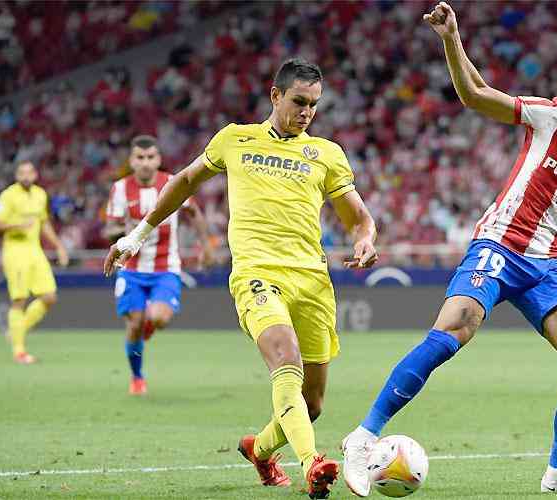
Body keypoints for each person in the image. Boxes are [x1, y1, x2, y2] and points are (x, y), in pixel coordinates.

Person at [342, 3, 557, 496]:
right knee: (453, 331)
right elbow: (476, 95)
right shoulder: (551, 117)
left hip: (548, 266)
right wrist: (451, 38)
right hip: (499, 244)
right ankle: (362, 437)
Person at [104, 59, 378, 499]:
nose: (307, 112)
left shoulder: (326, 153)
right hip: (256, 274)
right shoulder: (236, 138)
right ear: (275, 96)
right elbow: (184, 181)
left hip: (313, 280)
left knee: (312, 404)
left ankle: (261, 449)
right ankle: (312, 464)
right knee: (285, 357)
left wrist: (365, 239)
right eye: (298, 101)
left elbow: (359, 219)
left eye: (314, 104)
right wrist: (136, 237)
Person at [105, 135, 214, 396]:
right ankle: (137, 376)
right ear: (131, 161)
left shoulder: (171, 182)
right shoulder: (120, 189)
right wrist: (125, 230)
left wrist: (206, 245)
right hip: (131, 270)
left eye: (150, 157)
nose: (145, 163)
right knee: (134, 323)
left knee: (159, 317)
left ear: (159, 159)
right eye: (140, 158)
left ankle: (146, 331)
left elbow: (193, 212)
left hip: (166, 267)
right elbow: (110, 229)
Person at [0, 161, 69, 364]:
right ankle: (19, 351)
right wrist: (17, 224)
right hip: (15, 251)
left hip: (35, 251)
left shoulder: (40, 194)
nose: (25, 176)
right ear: (16, 175)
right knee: (19, 300)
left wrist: (59, 246)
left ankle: (18, 330)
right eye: (21, 172)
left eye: (29, 172)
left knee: (50, 297)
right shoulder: (9, 195)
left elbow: (44, 224)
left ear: (34, 175)